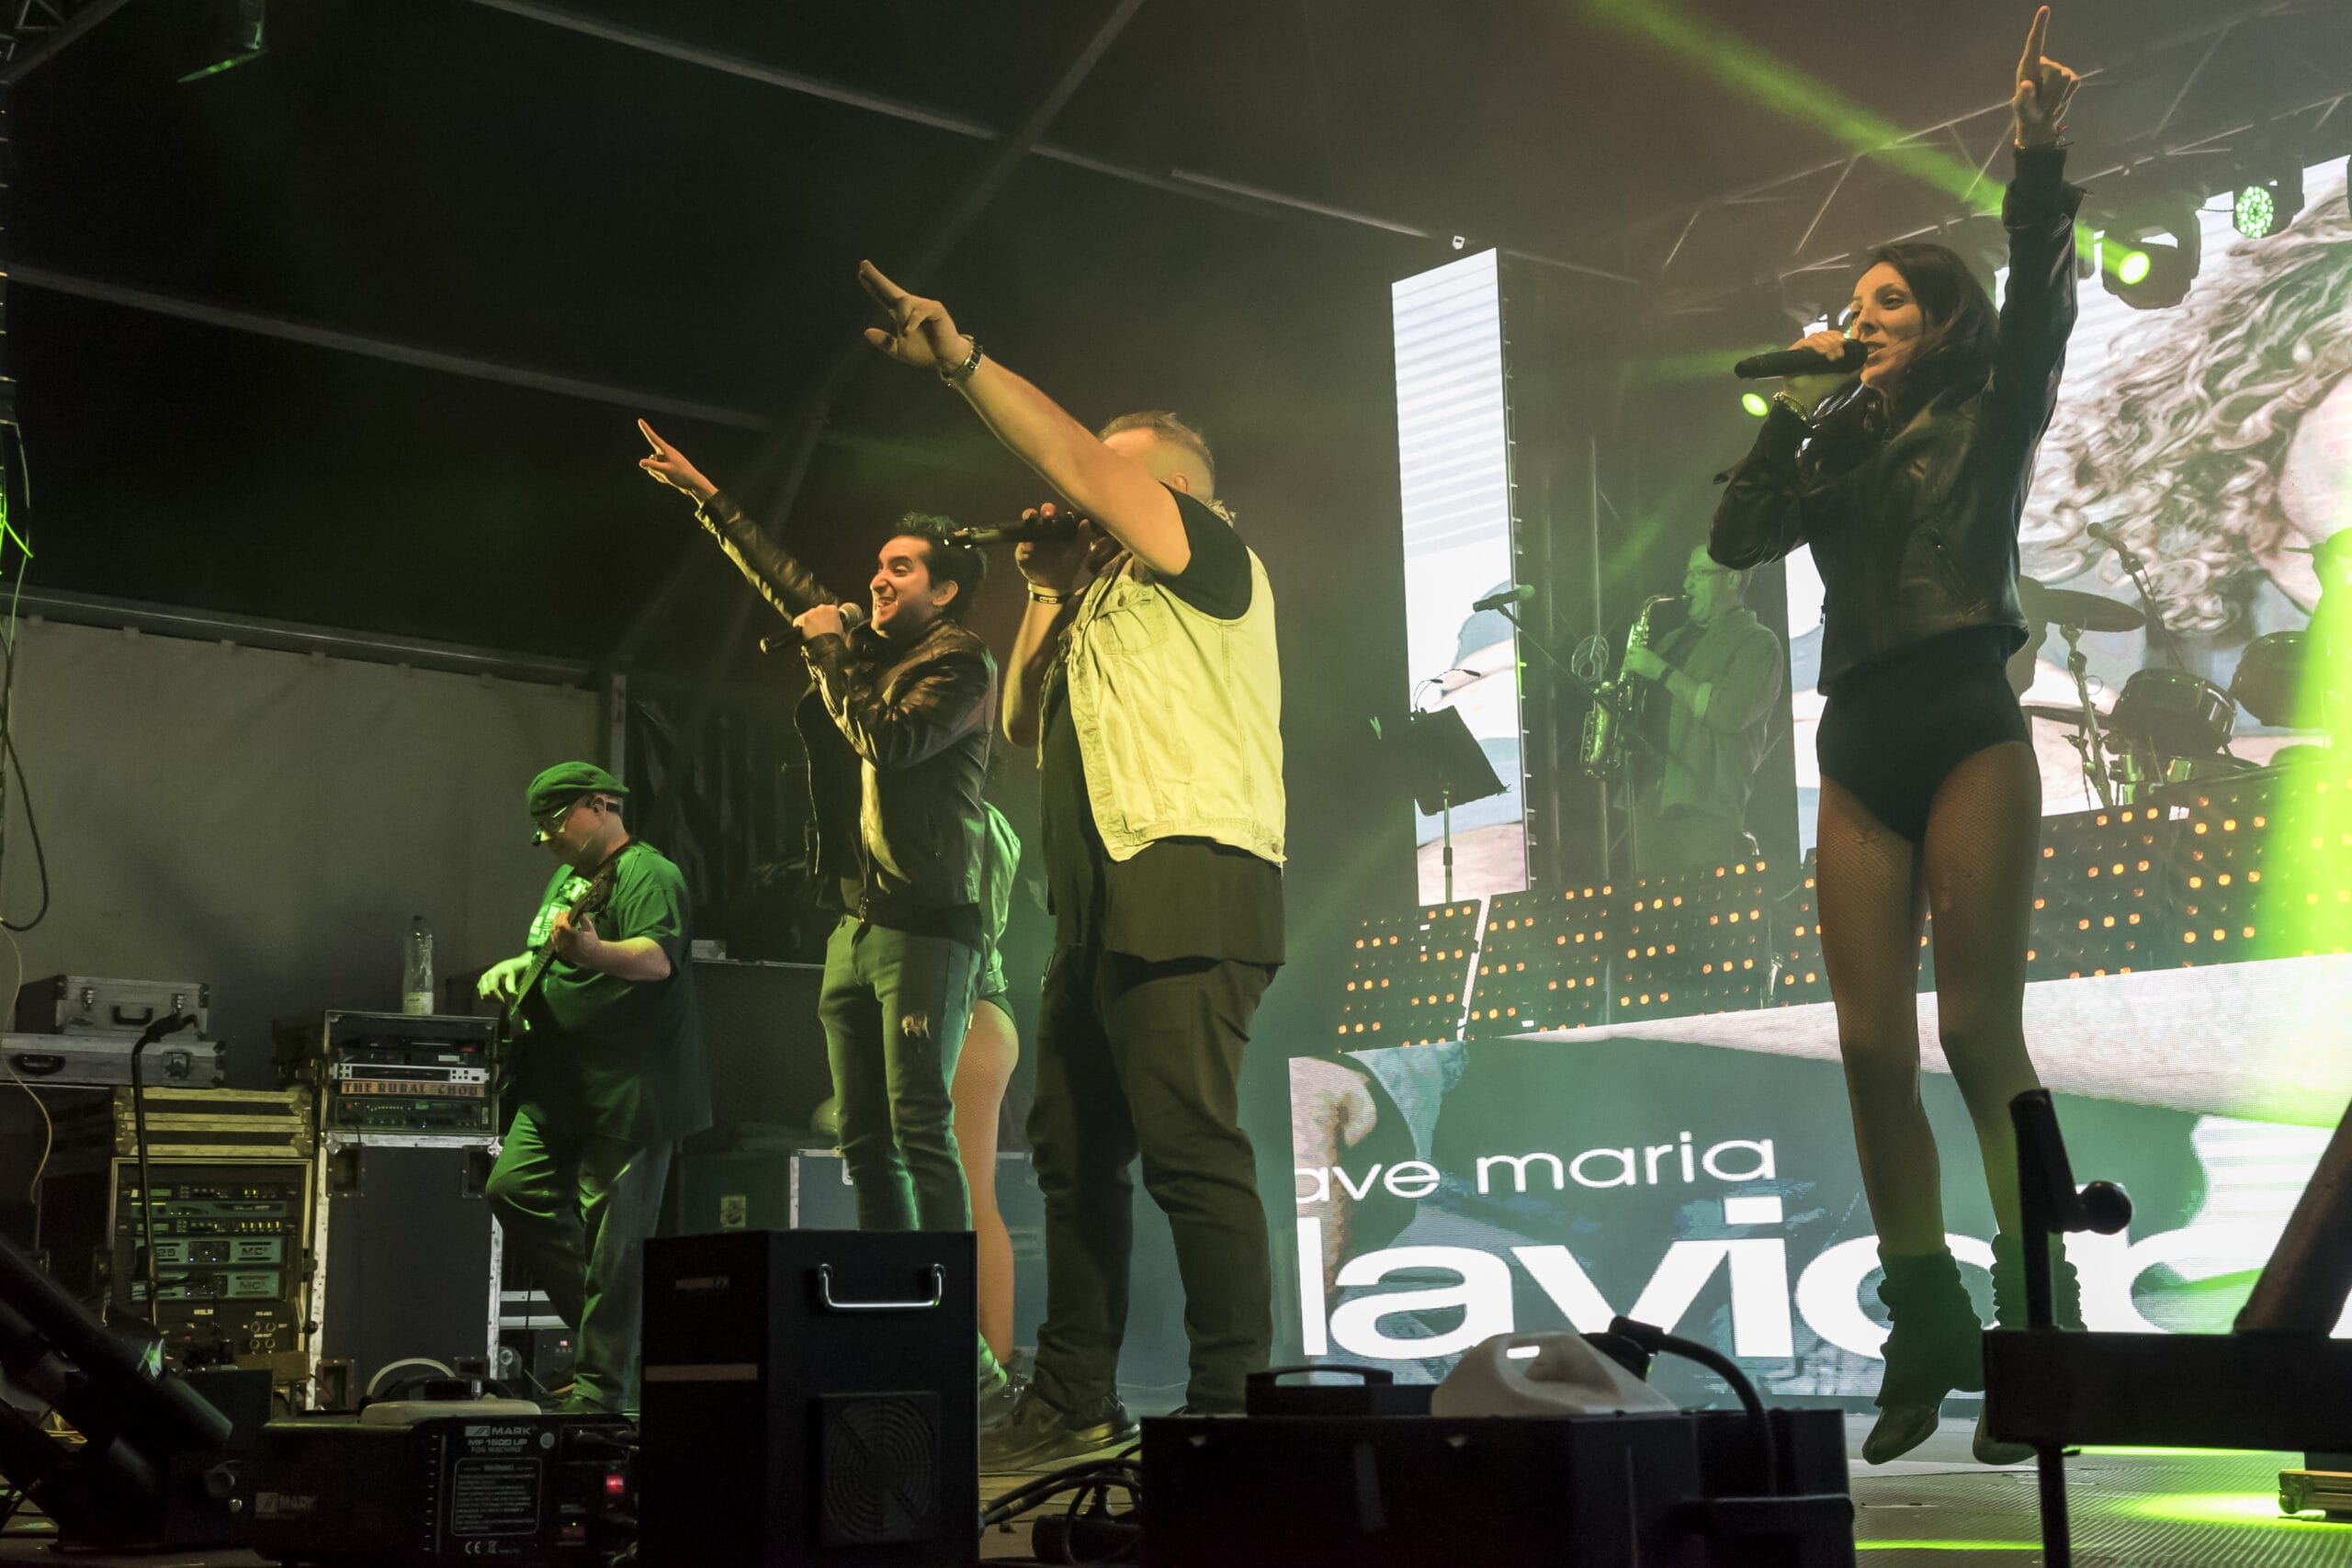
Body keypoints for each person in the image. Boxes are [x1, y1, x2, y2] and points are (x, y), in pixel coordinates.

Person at [1708, 6, 2083, 1466]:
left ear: (1939, 321)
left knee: (1976, 1027)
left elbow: (2041, 297)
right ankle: (1925, 1323)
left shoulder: (1996, 402)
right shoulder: (1830, 439)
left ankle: (2039, 1321)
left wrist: (2036, 160)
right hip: (1858, 730)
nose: (1862, 317)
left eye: (1888, 302)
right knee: (1870, 1046)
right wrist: (1795, 408)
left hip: (1966, 715)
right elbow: (1738, 539)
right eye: (1851, 301)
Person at [858, 263, 1285, 1467]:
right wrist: (1047, 592)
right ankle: (1075, 1398)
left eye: (1113, 476)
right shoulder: (1106, 600)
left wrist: (962, 363)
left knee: (1190, 1151)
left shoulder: (1212, 559)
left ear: (1177, 491)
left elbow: (1079, 463)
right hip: (1098, 907)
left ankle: (1232, 1408)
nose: (1083, 495)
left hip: (1193, 880)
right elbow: (1025, 727)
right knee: (1075, 1157)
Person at [636, 423, 1006, 1392]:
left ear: (944, 589)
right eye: (878, 564)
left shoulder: (960, 664)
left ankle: (959, 1345)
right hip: (857, 925)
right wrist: (707, 497)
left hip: (927, 924)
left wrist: (831, 651)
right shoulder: (869, 646)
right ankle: (895, 1318)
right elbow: (792, 583)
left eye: (900, 567)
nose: (877, 579)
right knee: (863, 1138)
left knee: (920, 1127)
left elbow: (889, 743)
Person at [480, 761, 709, 1416]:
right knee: (512, 1188)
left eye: (556, 822)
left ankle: (605, 1393)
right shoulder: (568, 876)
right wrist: (521, 964)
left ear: (600, 805)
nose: (548, 838)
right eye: (542, 828)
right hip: (563, 1085)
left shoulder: (651, 874)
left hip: (628, 1090)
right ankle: (618, 1345)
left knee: (615, 1248)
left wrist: (592, 954)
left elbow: (656, 958)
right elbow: (555, 948)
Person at [1621, 545, 1787, 874]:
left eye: (1699, 574)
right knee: (1648, 906)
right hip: (1649, 800)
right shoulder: (1672, 640)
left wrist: (1662, 671)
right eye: (1688, 574)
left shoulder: (1758, 642)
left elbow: (1729, 713)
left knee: (1704, 903)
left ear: (1732, 580)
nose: (1687, 585)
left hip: (1706, 805)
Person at [956, 801, 1024, 1382]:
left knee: (973, 1198)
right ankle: (992, 1371)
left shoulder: (971, 818)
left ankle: (994, 1372)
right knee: (970, 1197)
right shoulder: (986, 819)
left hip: (971, 1011)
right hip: (975, 1011)